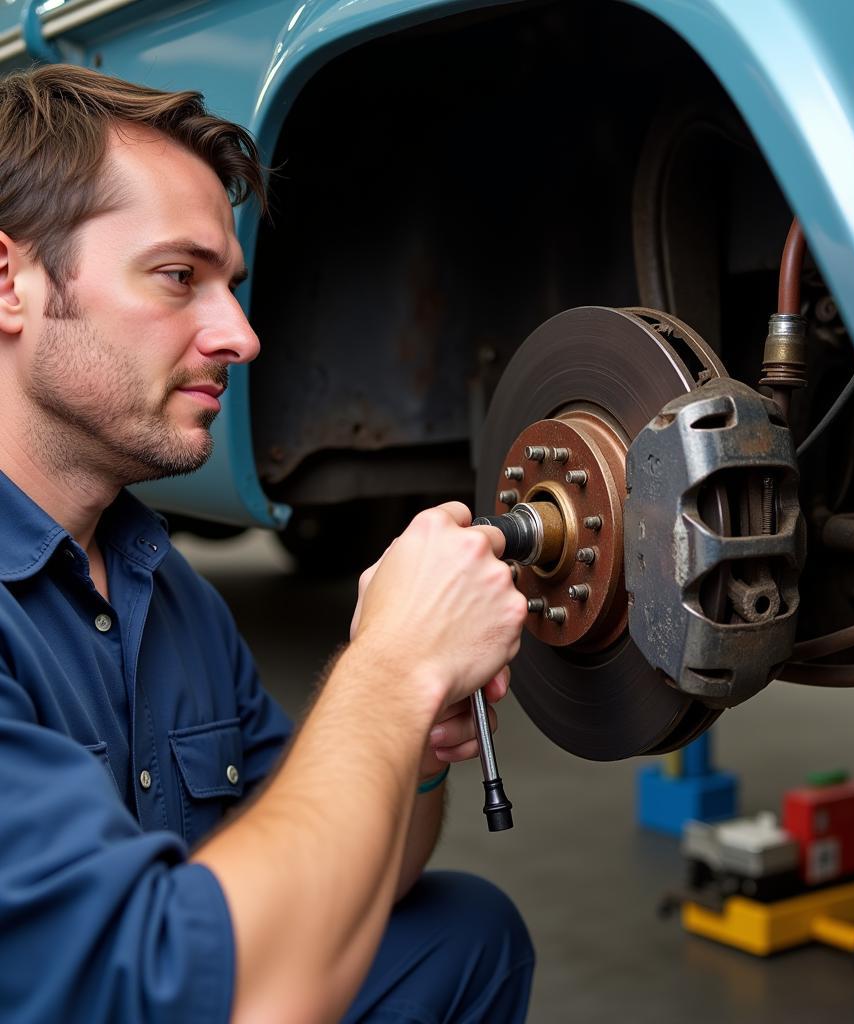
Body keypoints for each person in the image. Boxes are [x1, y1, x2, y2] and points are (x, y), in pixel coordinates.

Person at [0, 64, 533, 1023]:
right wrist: (390, 667)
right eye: (178, 277)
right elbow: (186, 988)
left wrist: (407, 743)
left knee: (465, 934)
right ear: (10, 283)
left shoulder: (167, 595)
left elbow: (337, 881)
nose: (241, 335)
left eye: (232, 288)